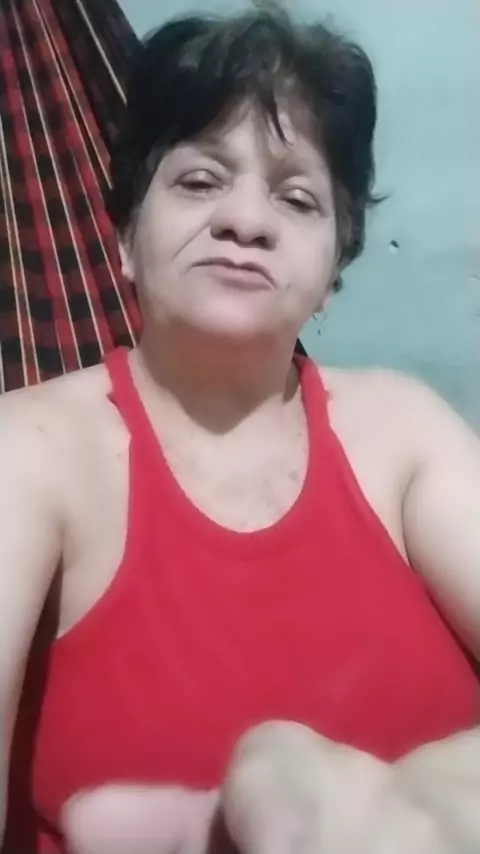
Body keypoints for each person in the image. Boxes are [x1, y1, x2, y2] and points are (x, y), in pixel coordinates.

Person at [0, 6, 479, 853]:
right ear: (123, 238)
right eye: (198, 181)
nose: (246, 221)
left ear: (331, 273)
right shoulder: (32, 454)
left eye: (296, 198)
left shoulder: (405, 434)